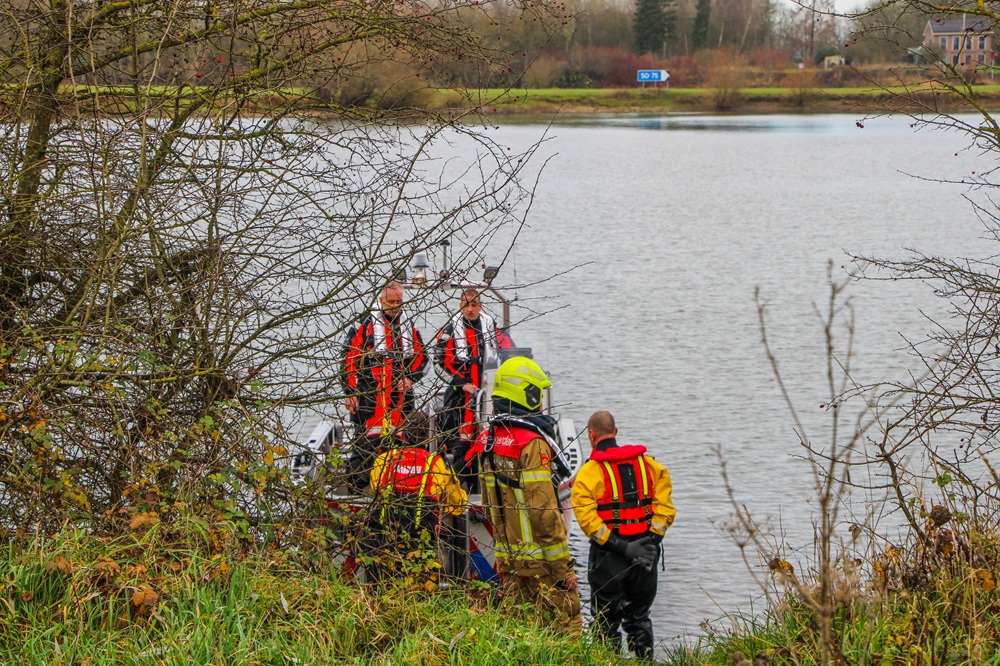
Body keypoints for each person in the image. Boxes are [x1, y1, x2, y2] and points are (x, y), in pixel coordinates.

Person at [467, 356, 582, 634]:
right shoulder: (531, 443)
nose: (541, 402)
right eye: (537, 394)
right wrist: (562, 569)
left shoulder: (488, 440)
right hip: (542, 562)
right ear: (526, 394)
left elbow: (491, 503)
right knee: (567, 630)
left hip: (509, 562)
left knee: (521, 633)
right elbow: (542, 511)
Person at [570, 410, 676, 663]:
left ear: (592, 435)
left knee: (605, 619)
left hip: (610, 557)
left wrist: (623, 548)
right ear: (615, 432)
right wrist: (650, 544)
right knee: (639, 617)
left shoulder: (589, 472)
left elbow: (589, 521)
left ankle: (608, 661)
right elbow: (665, 509)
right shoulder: (650, 466)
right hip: (646, 556)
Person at [340, 281, 427, 489]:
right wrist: (350, 392)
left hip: (400, 398)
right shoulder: (364, 326)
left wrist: (410, 379)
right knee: (364, 449)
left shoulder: (408, 326)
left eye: (399, 302)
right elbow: (348, 360)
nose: (395, 306)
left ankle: (396, 490)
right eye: (390, 302)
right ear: (381, 301)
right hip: (369, 397)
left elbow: (422, 359)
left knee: (400, 447)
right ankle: (357, 494)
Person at [364, 410, 467, 584]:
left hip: (383, 541)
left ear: (402, 435)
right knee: (418, 588)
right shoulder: (435, 463)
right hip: (418, 543)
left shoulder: (384, 460)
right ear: (427, 436)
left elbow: (375, 490)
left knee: (381, 586)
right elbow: (458, 505)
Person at [435, 289, 512, 489]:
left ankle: (484, 487)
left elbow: (509, 351)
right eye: (466, 304)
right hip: (461, 396)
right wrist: (461, 384)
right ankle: (459, 488)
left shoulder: (490, 327)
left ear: (480, 305)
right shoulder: (450, 331)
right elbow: (438, 363)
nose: (470, 309)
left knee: (487, 440)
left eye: (474, 304)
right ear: (460, 305)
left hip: (487, 393)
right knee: (462, 444)